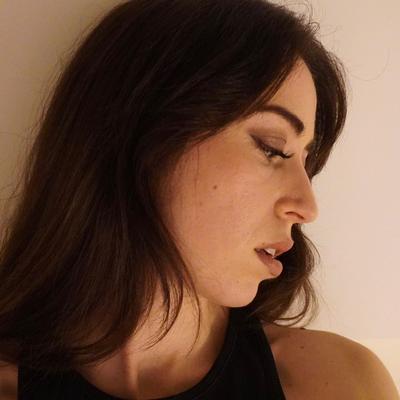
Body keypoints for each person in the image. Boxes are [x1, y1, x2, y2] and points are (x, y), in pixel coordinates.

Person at [1, 0, 399, 399]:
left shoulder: (339, 384)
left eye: (306, 163)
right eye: (272, 148)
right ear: (143, 132)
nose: (307, 207)